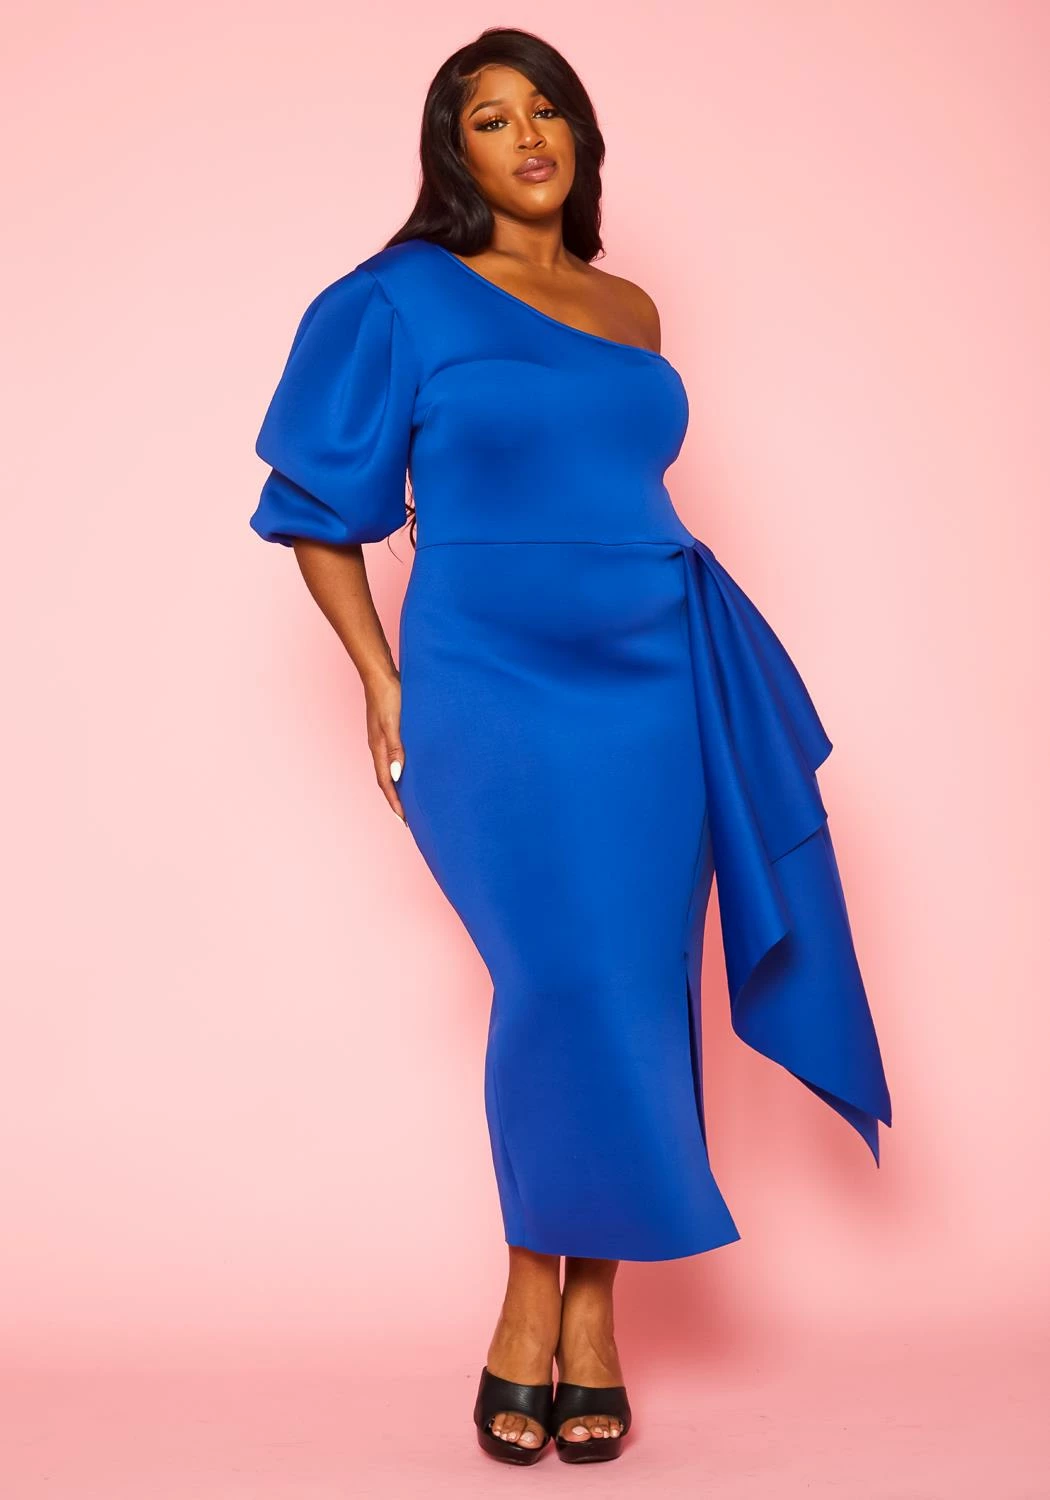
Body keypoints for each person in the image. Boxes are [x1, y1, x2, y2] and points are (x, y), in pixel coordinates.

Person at [249, 26, 892, 1467]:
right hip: (487, 681)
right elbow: (315, 509)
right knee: (558, 980)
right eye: (491, 118)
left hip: (654, 671)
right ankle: (531, 1291)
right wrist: (380, 681)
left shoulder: (629, 307)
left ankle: (580, 1316)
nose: (528, 135)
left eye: (547, 110)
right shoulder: (391, 298)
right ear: (452, 151)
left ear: (581, 137)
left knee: (636, 984)